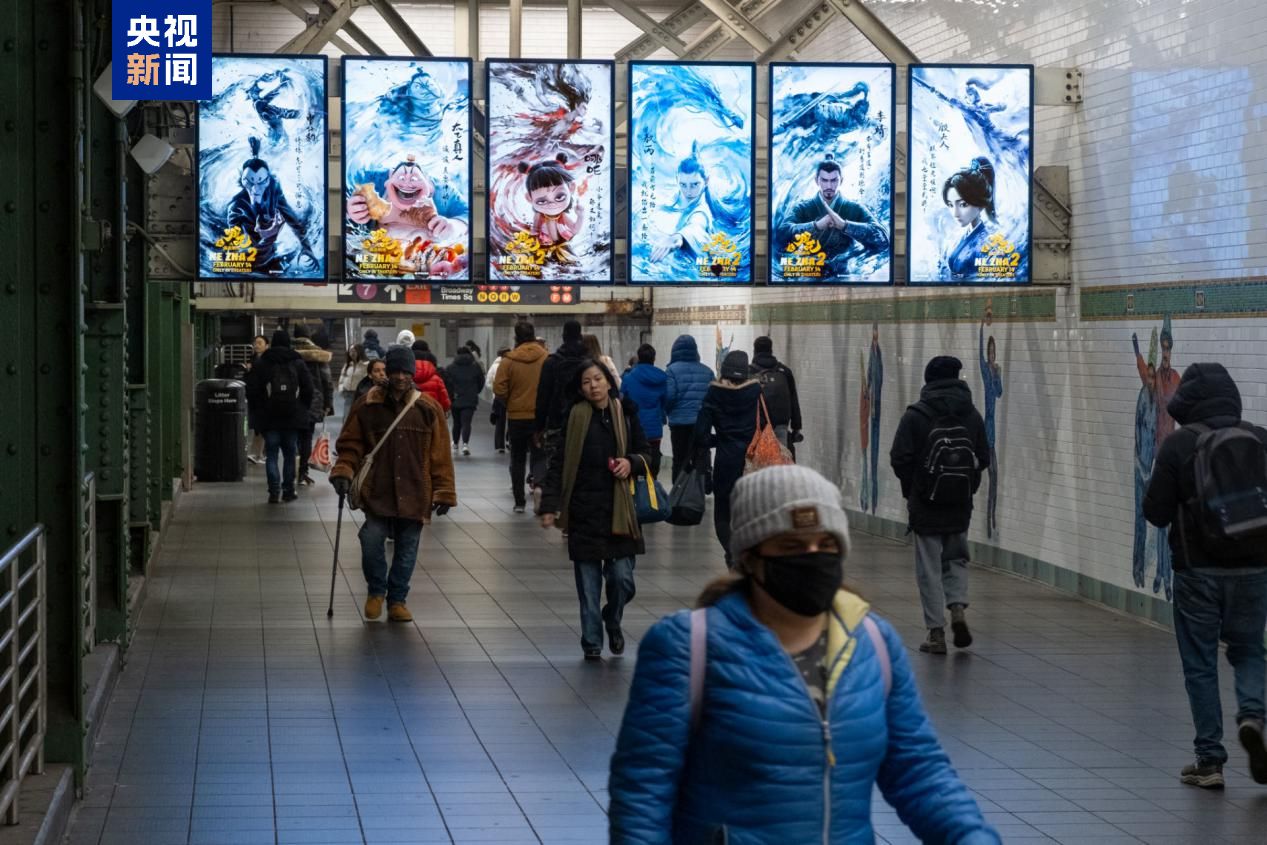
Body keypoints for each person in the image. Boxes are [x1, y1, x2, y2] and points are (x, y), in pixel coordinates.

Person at [608, 465, 1000, 844]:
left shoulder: (873, 643)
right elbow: (643, 793)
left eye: (825, 544)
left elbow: (918, 770)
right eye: (792, 546)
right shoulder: (687, 647)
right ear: (750, 556)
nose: (813, 556)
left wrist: (971, 835)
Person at [1144, 362, 1267, 789]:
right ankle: (1253, 717)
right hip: (1254, 568)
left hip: (1198, 571)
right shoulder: (1260, 438)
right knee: (1250, 650)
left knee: (1200, 665)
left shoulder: (1178, 446)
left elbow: (1155, 512)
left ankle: (1210, 760)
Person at [331, 347, 457, 623]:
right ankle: (376, 591)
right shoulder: (369, 404)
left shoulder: (427, 408)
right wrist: (343, 470)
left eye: (405, 372)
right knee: (371, 539)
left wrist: (444, 491)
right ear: (387, 371)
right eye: (395, 371)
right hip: (379, 489)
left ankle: (397, 600)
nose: (400, 377)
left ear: (412, 374)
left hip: (415, 490)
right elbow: (351, 443)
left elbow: (440, 454)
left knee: (407, 548)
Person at [539, 359, 652, 660]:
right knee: (588, 588)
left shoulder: (625, 413)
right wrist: (549, 505)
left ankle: (612, 619)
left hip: (620, 510)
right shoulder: (574, 417)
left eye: (597, 379)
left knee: (622, 580)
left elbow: (648, 454)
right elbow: (559, 465)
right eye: (586, 382)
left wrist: (632, 462)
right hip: (584, 511)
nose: (593, 386)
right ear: (581, 388)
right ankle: (592, 643)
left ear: (608, 382)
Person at [889, 356, 989, 655]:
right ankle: (957, 608)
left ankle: (936, 632)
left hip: (926, 503)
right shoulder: (971, 414)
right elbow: (983, 457)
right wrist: (967, 484)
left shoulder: (915, 415)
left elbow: (899, 458)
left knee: (928, 568)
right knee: (956, 559)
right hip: (959, 504)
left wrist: (914, 489)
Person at [693, 351, 765, 568]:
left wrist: (720, 440)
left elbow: (700, 435)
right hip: (753, 462)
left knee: (723, 514)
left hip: (726, 462)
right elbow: (765, 425)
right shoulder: (756, 393)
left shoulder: (713, 394)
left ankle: (732, 552)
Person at [776, 157, 889, 279]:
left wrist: (845, 225)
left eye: (834, 180)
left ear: (841, 181)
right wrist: (816, 226)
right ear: (816, 181)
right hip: (806, 273)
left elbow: (883, 240)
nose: (829, 185)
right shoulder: (802, 207)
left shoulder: (854, 208)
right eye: (824, 180)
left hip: (843, 275)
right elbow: (781, 235)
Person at [244, 330, 313, 504]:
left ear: (272, 343)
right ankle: (288, 490)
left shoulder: (263, 362)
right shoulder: (297, 361)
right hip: (292, 417)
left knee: (272, 454)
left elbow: (252, 390)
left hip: (270, 417)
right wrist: (302, 407)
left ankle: (274, 491)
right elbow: (309, 388)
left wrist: (259, 411)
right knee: (290, 454)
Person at [496, 322, 549, 514]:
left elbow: (499, 388)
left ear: (516, 337)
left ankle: (519, 502)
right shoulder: (545, 357)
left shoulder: (509, 360)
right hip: (540, 417)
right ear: (534, 336)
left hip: (517, 417)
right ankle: (539, 487)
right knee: (539, 455)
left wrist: (511, 401)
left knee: (517, 459)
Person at [663, 334, 714, 484]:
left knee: (680, 458)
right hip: (701, 424)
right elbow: (713, 398)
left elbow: (670, 397)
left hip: (679, 424)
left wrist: (669, 411)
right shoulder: (708, 371)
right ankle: (698, 493)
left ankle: (679, 495)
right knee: (700, 457)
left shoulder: (671, 371)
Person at [940, 158, 996, 282]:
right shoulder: (960, 235)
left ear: (980, 203)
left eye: (963, 204)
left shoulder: (987, 245)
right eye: (950, 205)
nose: (955, 213)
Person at [291, 324, 333, 486]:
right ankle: (303, 472)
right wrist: (328, 403)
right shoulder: (318, 355)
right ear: (309, 335)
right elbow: (327, 381)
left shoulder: (287, 353)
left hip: (290, 400)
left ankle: (291, 470)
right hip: (313, 401)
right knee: (307, 437)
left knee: (291, 437)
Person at [535, 319, 589, 438]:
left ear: (563, 336)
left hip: (557, 421)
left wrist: (539, 427)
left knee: (557, 455)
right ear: (580, 336)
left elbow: (543, 397)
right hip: (585, 422)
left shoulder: (551, 362)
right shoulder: (590, 363)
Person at [750, 336, 803, 455]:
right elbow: (794, 400)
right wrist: (796, 427)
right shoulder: (784, 371)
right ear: (771, 350)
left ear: (754, 350)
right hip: (781, 426)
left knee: (760, 462)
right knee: (781, 459)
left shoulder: (750, 372)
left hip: (757, 428)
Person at [620, 344, 668, 477]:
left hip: (635, 427)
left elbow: (622, 399)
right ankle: (652, 490)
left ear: (639, 357)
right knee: (654, 459)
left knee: (637, 461)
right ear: (654, 358)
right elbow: (665, 401)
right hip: (655, 428)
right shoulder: (662, 379)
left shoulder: (629, 378)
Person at [979, 317, 1004, 538]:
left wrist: (998, 376)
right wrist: (980, 326)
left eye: (995, 352)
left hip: (992, 429)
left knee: (995, 476)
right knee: (990, 474)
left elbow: (999, 393)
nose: (992, 355)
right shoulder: (985, 371)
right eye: (991, 351)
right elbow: (978, 353)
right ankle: (988, 519)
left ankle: (992, 516)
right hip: (986, 429)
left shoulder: (994, 373)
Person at [447, 344, 485, 456]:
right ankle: (465, 444)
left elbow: (448, 383)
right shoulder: (475, 366)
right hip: (470, 398)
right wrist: (475, 391)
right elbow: (481, 382)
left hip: (456, 398)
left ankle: (455, 444)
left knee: (456, 423)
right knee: (466, 422)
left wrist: (450, 395)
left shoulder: (450, 367)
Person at [247, 333, 270, 464]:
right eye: (256, 343)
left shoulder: (267, 361)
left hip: (263, 398)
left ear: (267, 345)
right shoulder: (253, 360)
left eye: (260, 343)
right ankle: (256, 453)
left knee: (261, 427)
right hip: (254, 397)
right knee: (257, 427)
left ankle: (259, 453)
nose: (257, 345)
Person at [411, 341, 451, 412]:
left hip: (411, 417)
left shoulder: (405, 379)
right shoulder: (437, 379)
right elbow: (445, 404)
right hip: (433, 417)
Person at [485, 346, 512, 453]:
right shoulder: (502, 365)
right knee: (511, 419)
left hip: (498, 397)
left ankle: (500, 444)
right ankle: (508, 440)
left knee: (500, 421)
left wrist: (495, 390)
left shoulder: (494, 366)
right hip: (505, 396)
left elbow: (488, 383)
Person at [338, 343, 368, 419]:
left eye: (354, 351)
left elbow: (368, 380)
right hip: (348, 393)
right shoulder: (347, 365)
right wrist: (341, 389)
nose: (352, 354)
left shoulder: (366, 365)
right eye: (350, 351)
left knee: (359, 416)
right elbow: (342, 378)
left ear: (359, 352)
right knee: (347, 416)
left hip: (360, 394)